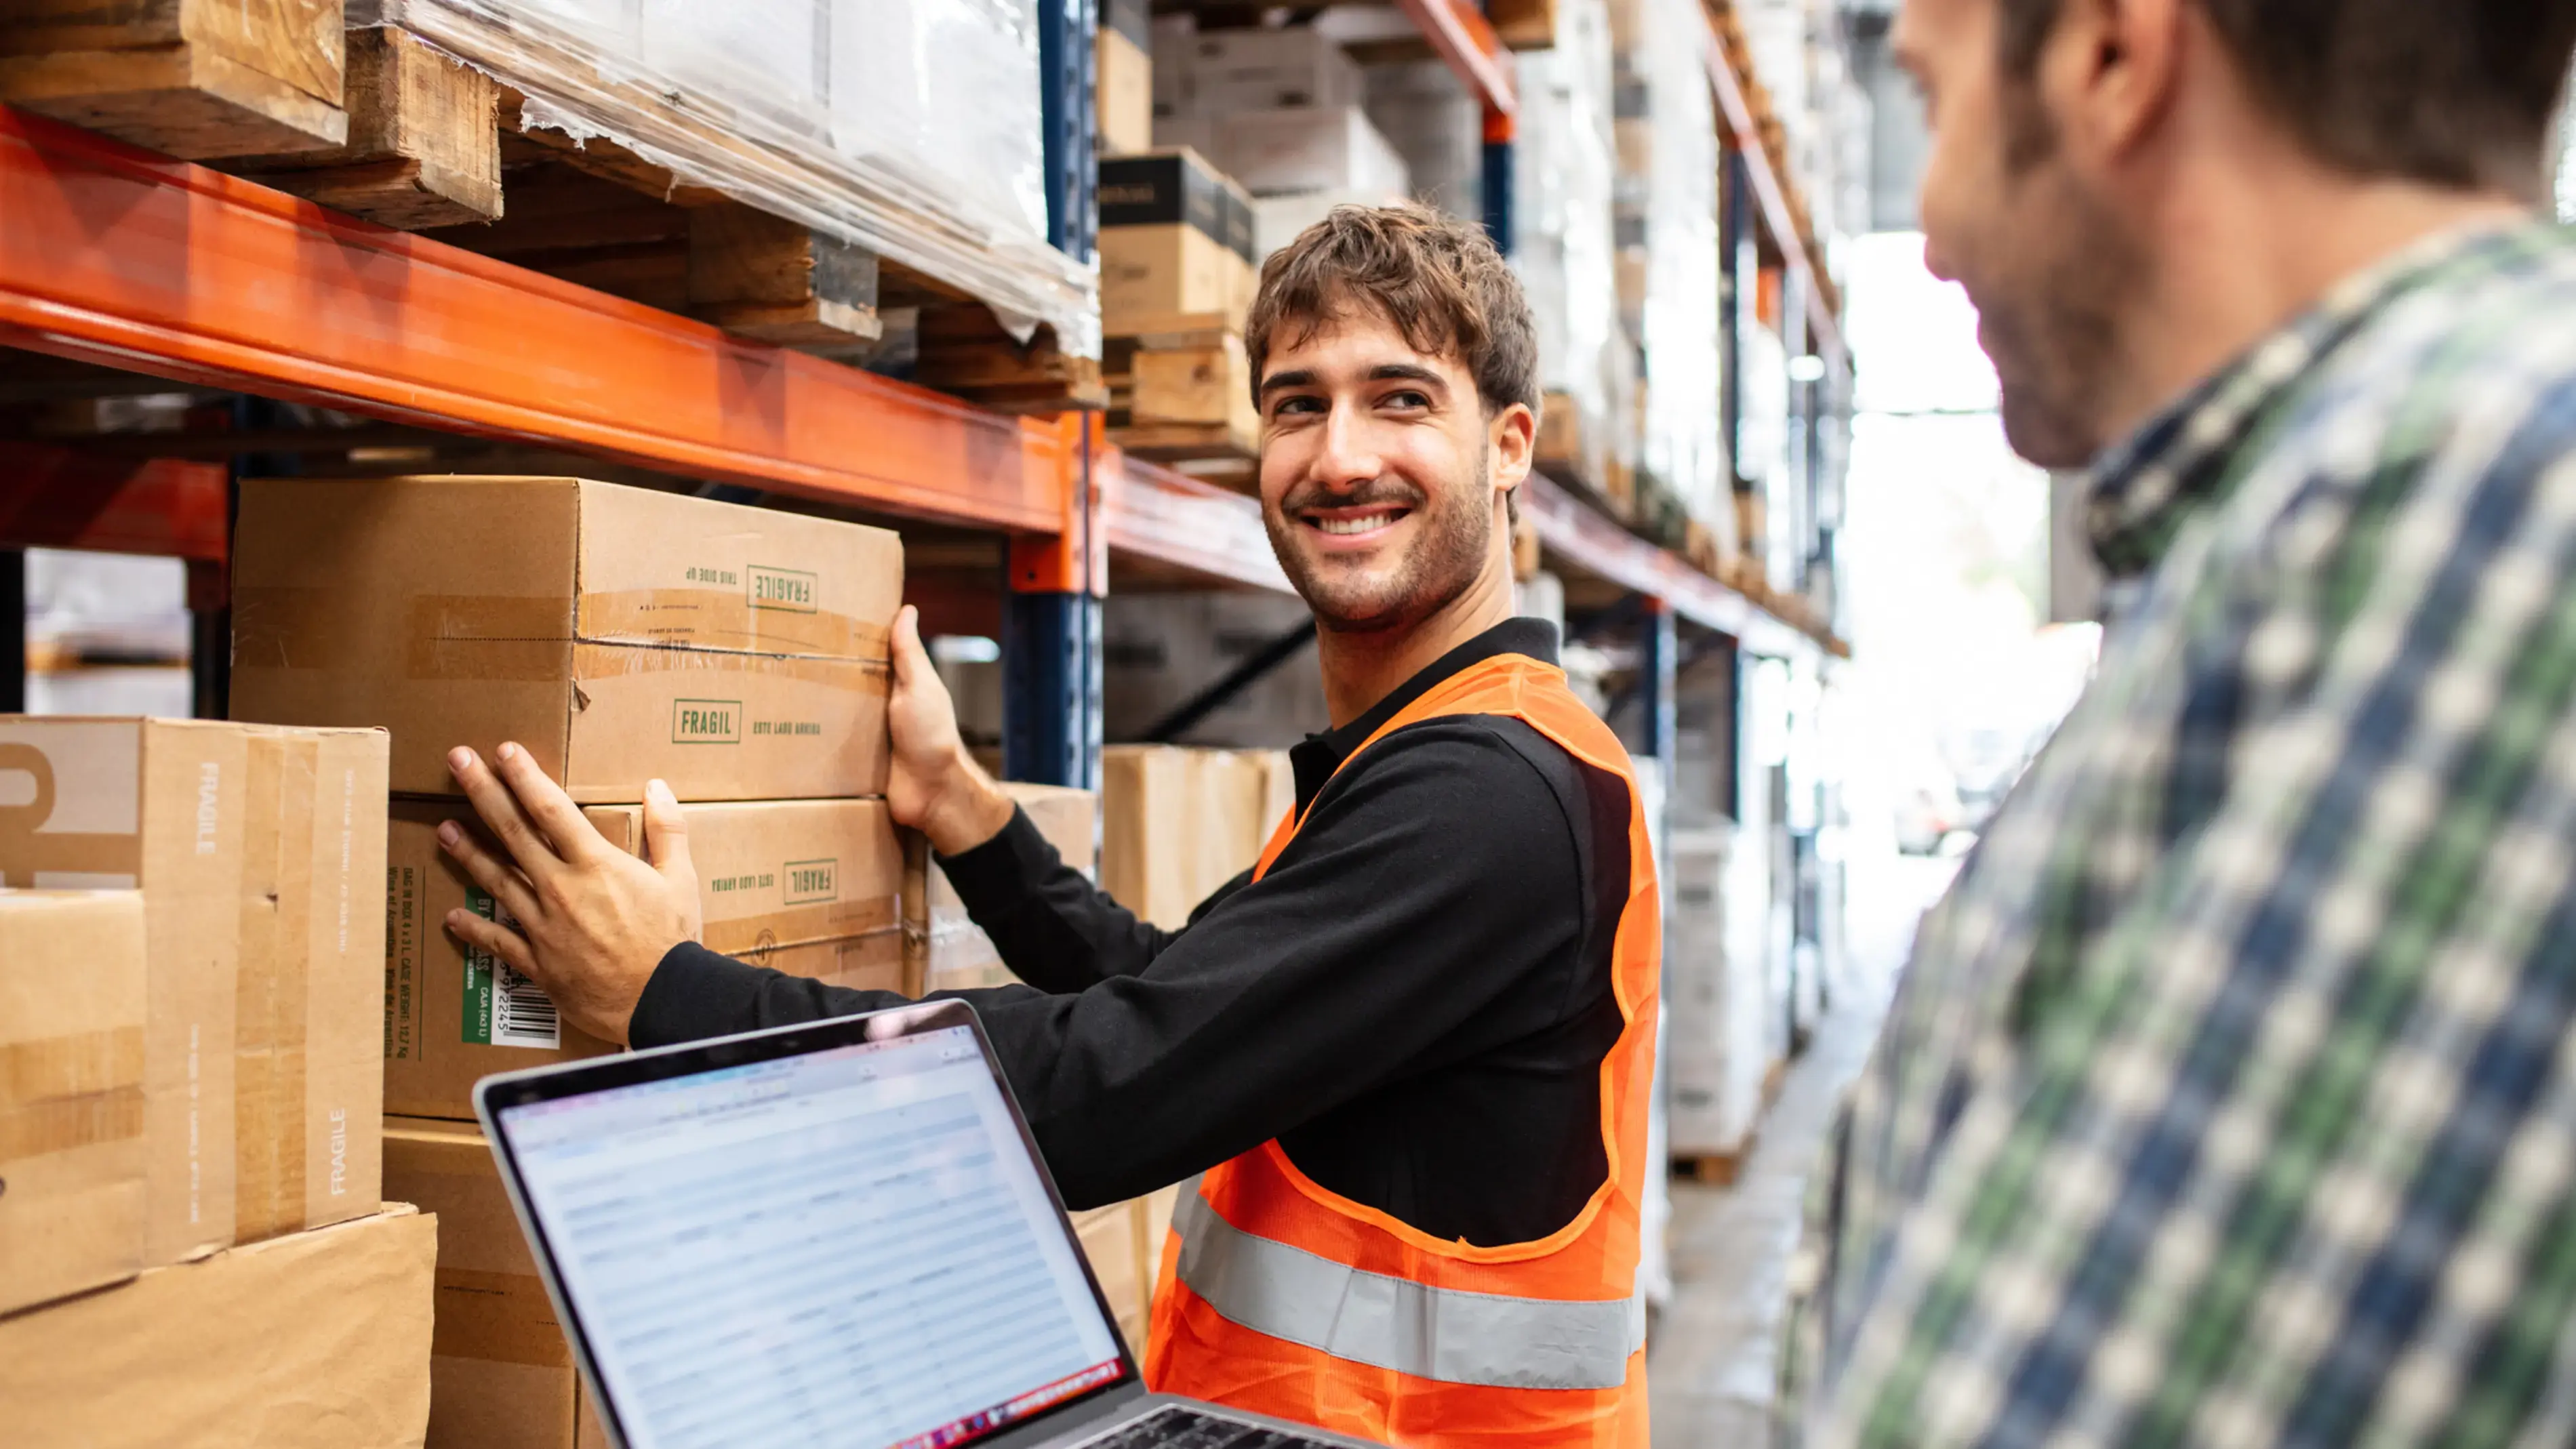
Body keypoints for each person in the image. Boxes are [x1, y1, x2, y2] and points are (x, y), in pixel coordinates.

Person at [435, 205, 1660, 1449]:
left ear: (1509, 447)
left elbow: (1106, 1088)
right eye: (1297, 405)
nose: (1339, 457)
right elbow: (1187, 994)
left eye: (1400, 400)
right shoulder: (1448, 750)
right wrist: (972, 822)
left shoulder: (1490, 796)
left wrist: (664, 991)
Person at [1782, 1, 2576, 1446]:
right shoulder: (2301, 533)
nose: (1933, 225)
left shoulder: (2484, 506)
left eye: (1934, 95)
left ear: (2106, 57)